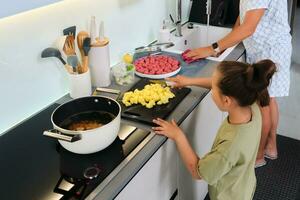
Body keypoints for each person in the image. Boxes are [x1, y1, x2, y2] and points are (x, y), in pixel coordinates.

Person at [185, 0, 292, 167]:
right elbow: (244, 16)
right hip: (267, 46)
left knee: (263, 104)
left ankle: (258, 156)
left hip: (270, 49)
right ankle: (271, 147)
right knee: (270, 100)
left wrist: (213, 48)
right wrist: (223, 45)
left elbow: (248, 27)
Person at [152, 60, 276, 200]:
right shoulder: (251, 103)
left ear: (226, 101)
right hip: (243, 186)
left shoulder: (230, 147)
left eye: (214, 89)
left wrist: (178, 136)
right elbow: (220, 84)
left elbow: (197, 172)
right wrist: (189, 81)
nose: (212, 90)